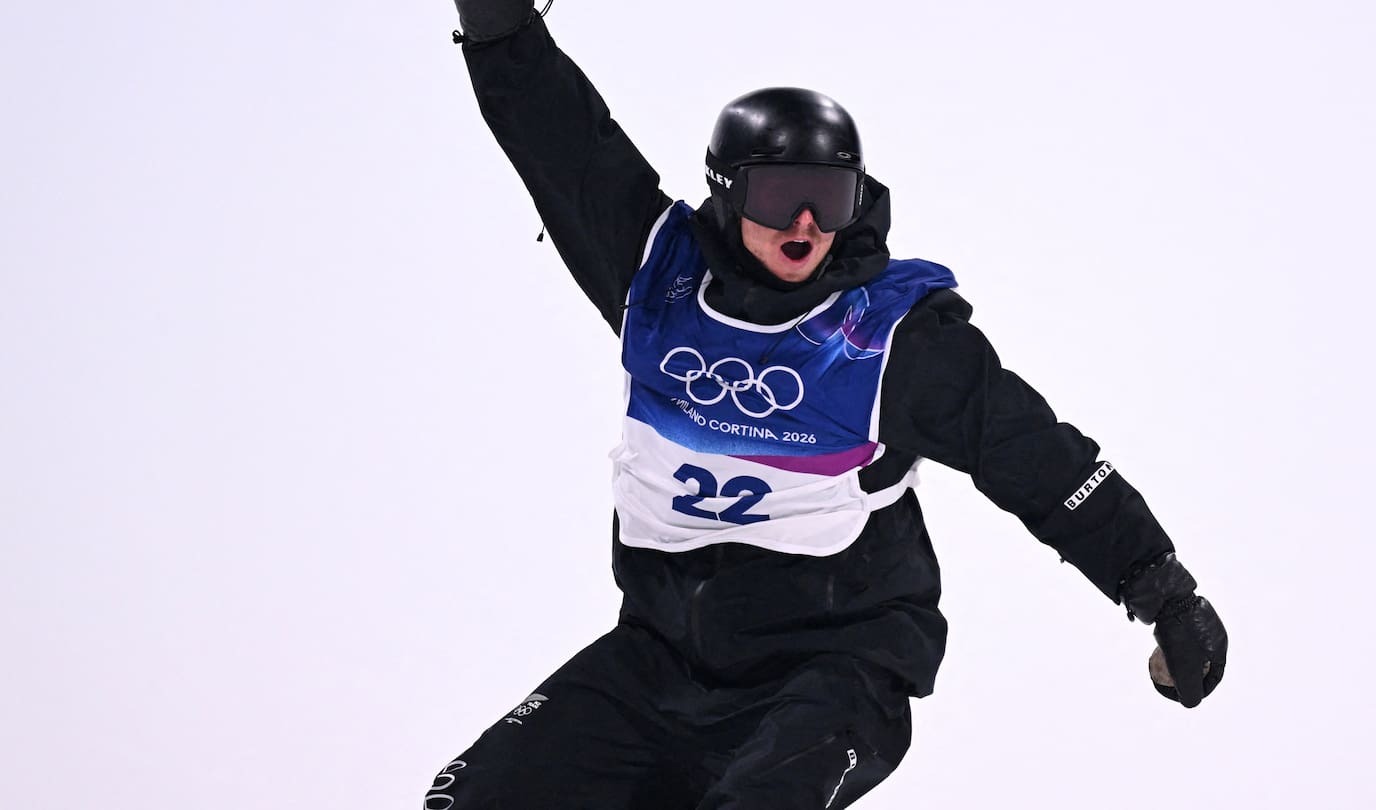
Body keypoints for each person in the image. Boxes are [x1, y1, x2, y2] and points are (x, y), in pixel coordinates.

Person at [426, 2, 1229, 808]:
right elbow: (559, 140)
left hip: (834, 669)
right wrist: (500, 26)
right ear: (729, 193)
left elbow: (1037, 459)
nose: (806, 223)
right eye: (780, 196)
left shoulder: (891, 341)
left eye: (830, 197)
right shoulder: (653, 274)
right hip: (660, 660)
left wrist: (1162, 591)